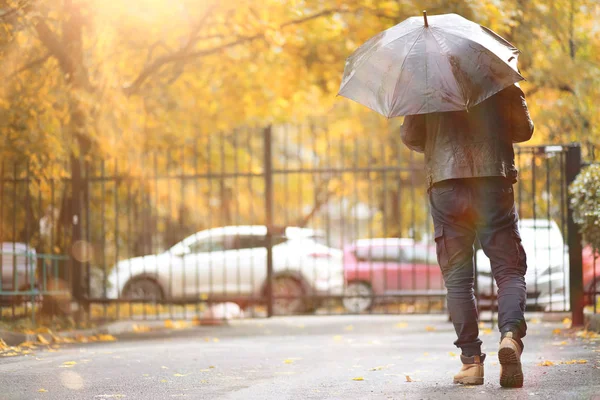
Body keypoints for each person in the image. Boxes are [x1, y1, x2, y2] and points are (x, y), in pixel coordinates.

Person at [400, 83, 534, 388]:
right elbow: (524, 131)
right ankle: (510, 337)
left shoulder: (425, 83)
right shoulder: (498, 78)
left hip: (447, 186)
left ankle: (471, 362)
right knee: (509, 271)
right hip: (493, 180)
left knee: (458, 279)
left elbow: (411, 137)